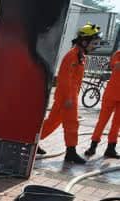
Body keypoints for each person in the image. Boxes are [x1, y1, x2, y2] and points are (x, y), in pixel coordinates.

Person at [40, 24, 102, 164]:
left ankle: (33, 140)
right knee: (72, 123)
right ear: (84, 41)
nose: (95, 46)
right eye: (94, 43)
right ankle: (71, 152)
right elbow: (65, 78)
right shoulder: (72, 56)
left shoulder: (80, 55)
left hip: (68, 95)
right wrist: (68, 98)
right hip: (67, 96)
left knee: (52, 122)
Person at [85, 49, 120, 158]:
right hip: (111, 95)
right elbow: (116, 65)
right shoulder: (118, 54)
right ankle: (93, 146)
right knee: (102, 122)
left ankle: (111, 148)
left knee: (116, 124)